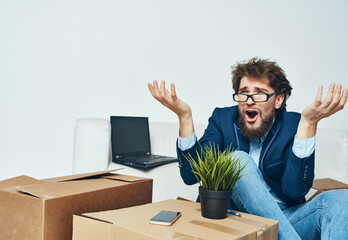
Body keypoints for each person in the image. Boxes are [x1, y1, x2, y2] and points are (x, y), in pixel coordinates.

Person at [147, 57, 348, 239]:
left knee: (342, 199)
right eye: (244, 93)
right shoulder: (223, 119)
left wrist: (308, 125)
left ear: (278, 100)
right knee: (237, 160)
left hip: (284, 220)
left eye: (260, 93)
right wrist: (184, 116)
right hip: (233, 217)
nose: (249, 100)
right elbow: (190, 175)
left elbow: (295, 191)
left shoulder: (295, 124)